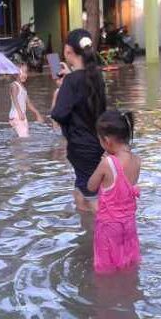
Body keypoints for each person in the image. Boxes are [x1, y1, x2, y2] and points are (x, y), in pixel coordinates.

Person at [51, 29, 107, 212]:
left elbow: (59, 114)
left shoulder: (72, 81)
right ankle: (87, 236)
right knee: (80, 193)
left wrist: (63, 90)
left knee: (91, 197)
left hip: (80, 148)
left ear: (68, 51)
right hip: (96, 144)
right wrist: (68, 80)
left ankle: (106, 235)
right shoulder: (97, 77)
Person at [87, 110, 141, 274]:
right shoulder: (137, 160)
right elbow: (125, 187)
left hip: (109, 228)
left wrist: (103, 163)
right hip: (129, 225)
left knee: (106, 269)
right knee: (126, 262)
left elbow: (91, 186)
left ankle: (108, 296)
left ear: (107, 141)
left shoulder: (108, 163)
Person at [9, 64, 45, 138]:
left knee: (23, 136)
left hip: (21, 116)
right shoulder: (14, 85)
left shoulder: (23, 88)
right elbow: (15, 99)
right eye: (22, 72)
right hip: (17, 115)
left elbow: (28, 103)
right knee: (24, 138)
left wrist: (37, 113)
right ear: (16, 74)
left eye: (26, 72)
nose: (25, 75)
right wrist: (19, 112)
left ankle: (15, 147)